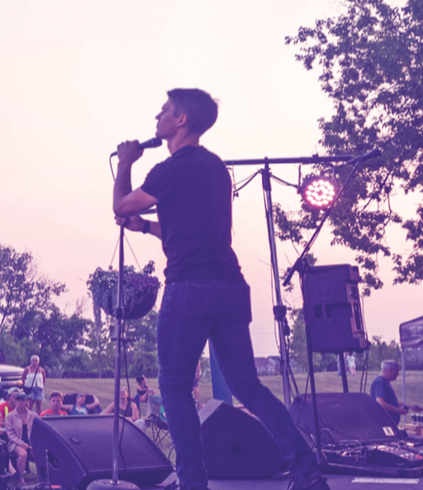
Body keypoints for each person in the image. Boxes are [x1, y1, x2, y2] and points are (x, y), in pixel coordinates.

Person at [113, 88, 326, 490]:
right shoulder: (215, 169)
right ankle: (307, 472)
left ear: (181, 121)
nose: (157, 116)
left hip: (189, 288)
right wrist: (147, 228)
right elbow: (190, 232)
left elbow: (121, 205)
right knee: (248, 385)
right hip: (228, 285)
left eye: (164, 111)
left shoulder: (170, 168)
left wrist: (125, 162)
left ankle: (193, 482)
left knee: (174, 385)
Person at [368, 360, 408, 426]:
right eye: (397, 372)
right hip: (384, 424)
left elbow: (390, 402)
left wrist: (409, 406)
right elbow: (381, 403)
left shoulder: (385, 382)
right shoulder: (380, 382)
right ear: (390, 371)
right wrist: (398, 410)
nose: (398, 374)